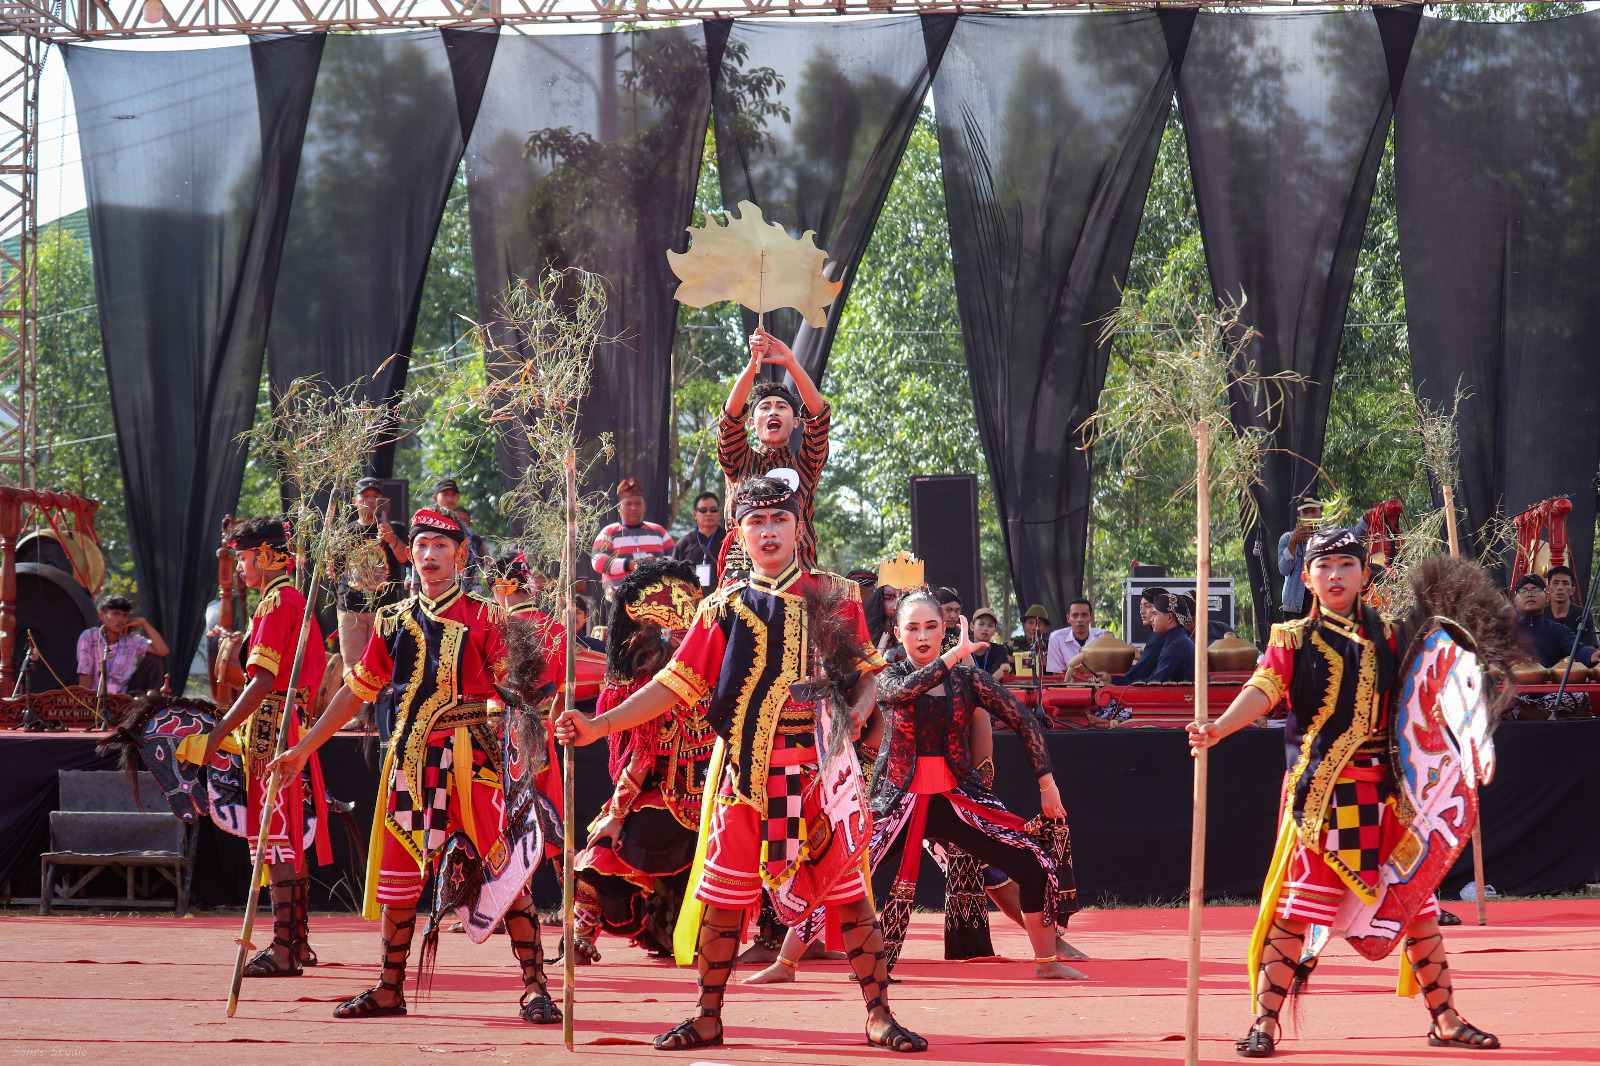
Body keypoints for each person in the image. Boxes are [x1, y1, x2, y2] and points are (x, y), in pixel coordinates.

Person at [556, 475, 924, 1053]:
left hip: (817, 774)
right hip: (744, 777)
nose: (769, 531)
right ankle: (708, 1016)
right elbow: (672, 686)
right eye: (757, 523)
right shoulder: (721, 608)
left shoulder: (834, 594)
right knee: (722, 902)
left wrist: (857, 707)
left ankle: (879, 1014)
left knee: (850, 896)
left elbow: (871, 669)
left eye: (779, 520)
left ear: (799, 527)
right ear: (740, 533)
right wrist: (598, 724)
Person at [1189, 528, 1500, 1056]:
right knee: (1296, 910)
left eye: (1345, 565)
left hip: (1390, 797)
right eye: (1324, 566)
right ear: (1307, 579)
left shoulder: (1394, 636)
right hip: (1323, 799)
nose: (1335, 575)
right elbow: (1264, 688)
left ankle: (1445, 1019)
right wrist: (1219, 727)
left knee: (1416, 907)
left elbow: (1430, 691)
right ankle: (1265, 1023)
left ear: (1364, 574)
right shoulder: (1292, 638)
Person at [268, 508, 562, 1025]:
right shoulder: (393, 620)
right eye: (422, 545)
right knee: (399, 879)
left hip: (473, 761)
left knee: (506, 873)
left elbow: (518, 690)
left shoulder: (487, 616)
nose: (429, 556)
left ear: (461, 555)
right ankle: (389, 987)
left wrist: (536, 697)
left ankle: (536, 988)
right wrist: (304, 747)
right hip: (410, 763)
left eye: (441, 547)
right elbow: (354, 691)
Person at [869, 589, 1085, 981]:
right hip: (897, 800)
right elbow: (905, 693)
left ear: (943, 629)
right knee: (844, 873)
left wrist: (1047, 785)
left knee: (1034, 863)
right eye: (912, 628)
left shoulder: (969, 678)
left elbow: (1024, 720)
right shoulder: (889, 676)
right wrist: (953, 655)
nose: (922, 636)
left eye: (931, 627)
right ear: (898, 634)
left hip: (958, 799)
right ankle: (787, 962)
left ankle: (1047, 963)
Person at [202, 517, 328, 978]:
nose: (238, 566)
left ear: (264, 556)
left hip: (274, 724)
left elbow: (262, 681)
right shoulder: (290, 599)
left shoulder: (276, 603)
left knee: (276, 841)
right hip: (291, 720)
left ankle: (282, 947)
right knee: (287, 838)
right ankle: (297, 940)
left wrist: (218, 731)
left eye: (242, 557)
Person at [572, 559, 713, 963]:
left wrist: (616, 813)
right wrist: (617, 812)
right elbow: (642, 752)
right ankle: (582, 936)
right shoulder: (654, 671)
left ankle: (584, 938)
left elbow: (642, 752)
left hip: (702, 794)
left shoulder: (706, 661)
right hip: (680, 793)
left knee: (607, 850)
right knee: (608, 849)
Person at [716, 329, 830, 577]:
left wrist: (790, 361)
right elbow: (729, 419)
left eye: (782, 407)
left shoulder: (806, 464)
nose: (773, 412)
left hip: (799, 574)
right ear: (751, 422)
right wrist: (752, 364)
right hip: (742, 576)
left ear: (797, 421)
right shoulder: (739, 461)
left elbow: (819, 418)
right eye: (765, 407)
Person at [332, 478, 408, 724]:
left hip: (384, 610)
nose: (369, 501)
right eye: (364, 497)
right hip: (350, 608)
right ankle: (355, 715)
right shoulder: (346, 531)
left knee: (384, 664)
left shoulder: (393, 528)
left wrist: (393, 540)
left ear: (381, 502)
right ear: (355, 501)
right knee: (353, 663)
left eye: (374, 497)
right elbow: (335, 569)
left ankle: (381, 716)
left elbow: (406, 560)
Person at [1279, 499, 1369, 619]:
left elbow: (1354, 535)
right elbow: (1284, 570)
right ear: (1299, 514)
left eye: (1313, 511)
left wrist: (1366, 520)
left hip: (1324, 604)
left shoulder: (1330, 534)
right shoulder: (1288, 538)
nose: (1310, 516)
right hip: (1295, 605)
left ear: (1321, 511)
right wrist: (1292, 544)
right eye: (1305, 513)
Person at [591, 478, 674, 600]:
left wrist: (657, 563)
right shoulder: (609, 532)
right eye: (629, 504)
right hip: (619, 600)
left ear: (644, 506)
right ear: (619, 507)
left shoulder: (658, 531)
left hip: (656, 602)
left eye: (638, 504)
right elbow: (598, 561)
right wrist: (628, 565)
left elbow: (675, 558)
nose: (633, 508)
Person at [1097, 588, 1193, 685]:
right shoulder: (1176, 641)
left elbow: (1154, 684)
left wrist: (1114, 687)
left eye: (1155, 614)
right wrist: (1112, 681)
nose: (1151, 619)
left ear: (1169, 617)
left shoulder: (1176, 646)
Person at [76, 592, 169, 694]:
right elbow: (85, 672)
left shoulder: (131, 639)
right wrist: (86, 703)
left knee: (155, 661)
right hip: (97, 695)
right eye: (116, 614)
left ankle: (153, 705)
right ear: (102, 615)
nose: (121, 619)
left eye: (124, 615)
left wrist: (143, 622)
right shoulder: (90, 636)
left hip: (125, 695)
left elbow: (163, 651)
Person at [1512, 573, 1600, 669]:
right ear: (1515, 599)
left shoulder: (1558, 631)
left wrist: (1592, 656)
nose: (1530, 594)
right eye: (1523, 591)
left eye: (1535, 590)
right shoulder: (1502, 630)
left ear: (1546, 597)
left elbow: (1578, 650)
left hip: (1547, 683)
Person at [671, 491, 726, 594]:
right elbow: (674, 578)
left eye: (713, 510)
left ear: (719, 513)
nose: (708, 514)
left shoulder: (729, 540)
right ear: (695, 514)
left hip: (724, 600)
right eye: (703, 510)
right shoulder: (683, 544)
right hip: (691, 602)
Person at [1045, 598, 1110, 674]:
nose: (1079, 620)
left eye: (1084, 615)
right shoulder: (1056, 639)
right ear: (1068, 618)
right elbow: (1057, 675)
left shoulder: (1104, 637)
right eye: (1075, 615)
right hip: (1068, 685)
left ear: (1091, 618)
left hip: (1099, 685)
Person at [1543, 565, 1596, 643]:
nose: (1560, 587)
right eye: (1555, 583)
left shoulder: (1583, 614)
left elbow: (1590, 649)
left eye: (1565, 583)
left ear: (1572, 590)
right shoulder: (1540, 614)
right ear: (1548, 589)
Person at [969, 607, 1013, 679]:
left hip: (990, 689)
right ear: (972, 626)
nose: (985, 629)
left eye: (990, 626)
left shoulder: (999, 649)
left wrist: (986, 686)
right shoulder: (963, 647)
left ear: (994, 630)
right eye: (981, 624)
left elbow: (1006, 667)